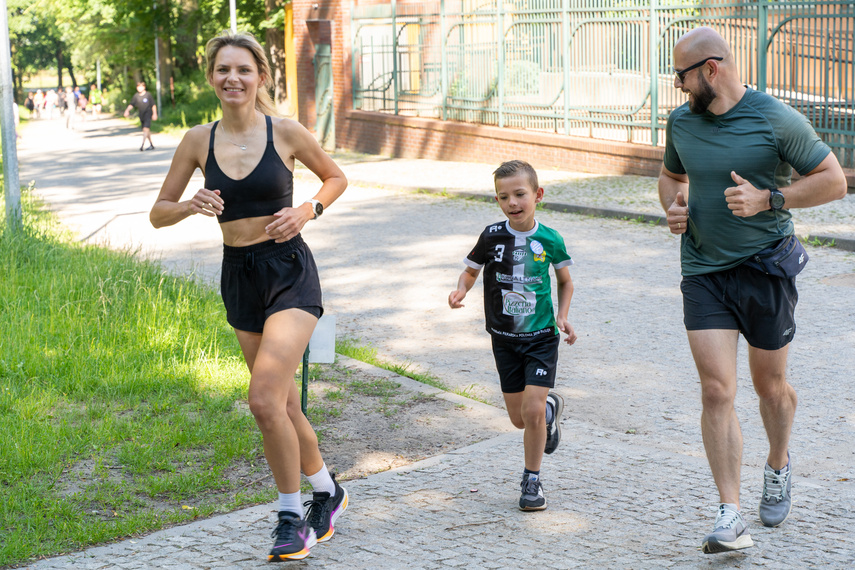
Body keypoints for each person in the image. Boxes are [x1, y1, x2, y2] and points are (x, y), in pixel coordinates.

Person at [149, 30, 348, 562]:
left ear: (260, 76)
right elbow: (157, 213)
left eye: (243, 70)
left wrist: (309, 209)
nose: (232, 79)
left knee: (262, 400)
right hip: (239, 275)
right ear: (211, 77)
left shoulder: (285, 131)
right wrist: (191, 205)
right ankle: (328, 492)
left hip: (289, 273)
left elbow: (334, 177)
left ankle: (290, 517)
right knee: (281, 402)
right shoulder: (197, 139)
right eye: (222, 70)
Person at [658, 27, 848, 555]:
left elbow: (834, 180)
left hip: (764, 270)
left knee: (772, 387)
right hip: (704, 271)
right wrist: (673, 207)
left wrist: (772, 199)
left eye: (682, 75)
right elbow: (670, 177)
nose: (677, 86)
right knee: (717, 389)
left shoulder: (774, 118)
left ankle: (779, 462)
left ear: (710, 70)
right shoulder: (681, 122)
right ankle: (729, 512)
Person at [448, 159, 577, 512]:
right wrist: (460, 290)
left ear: (538, 195)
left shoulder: (550, 239)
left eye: (520, 194)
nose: (513, 203)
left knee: (531, 413)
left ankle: (531, 480)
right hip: (503, 337)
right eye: (504, 197)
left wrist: (562, 317)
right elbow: (470, 272)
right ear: (498, 201)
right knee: (519, 418)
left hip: (540, 337)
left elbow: (565, 281)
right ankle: (550, 410)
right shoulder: (491, 236)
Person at [124, 81, 158, 151]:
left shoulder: (148, 95)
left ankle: (142, 145)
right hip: (141, 115)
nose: (139, 88)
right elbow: (131, 104)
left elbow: (153, 105)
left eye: (141, 86)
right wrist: (127, 110)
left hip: (148, 114)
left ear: (144, 87)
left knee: (145, 129)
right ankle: (151, 144)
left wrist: (155, 113)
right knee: (146, 130)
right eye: (138, 86)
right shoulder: (136, 96)